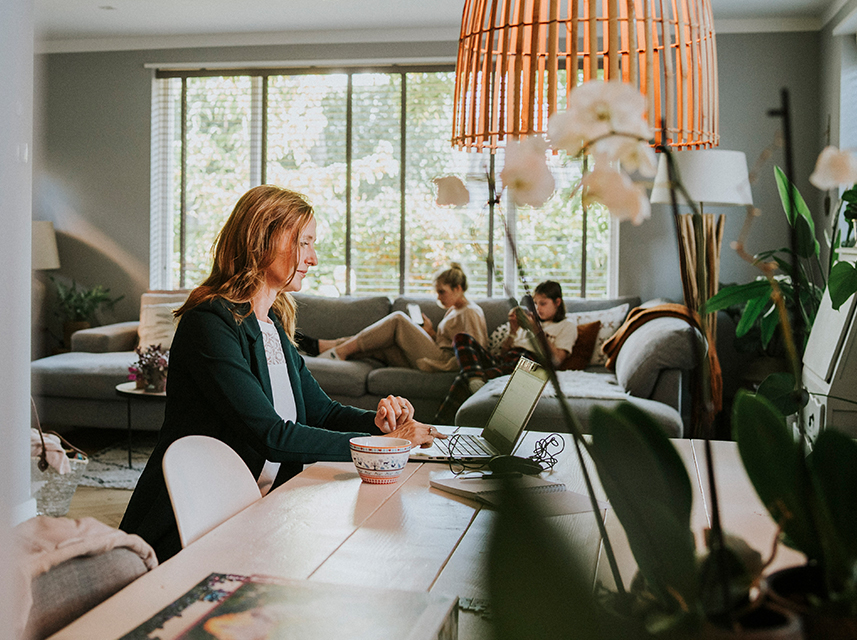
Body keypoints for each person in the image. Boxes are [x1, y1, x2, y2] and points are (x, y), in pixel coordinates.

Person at [120, 185, 444, 562]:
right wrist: (385, 447)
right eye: (304, 242)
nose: (314, 258)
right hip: (196, 519)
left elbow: (321, 412)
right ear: (263, 240)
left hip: (260, 506)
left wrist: (380, 424)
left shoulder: (271, 322)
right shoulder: (210, 323)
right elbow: (271, 435)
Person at [434, 280, 577, 423]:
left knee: (462, 379)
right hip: (507, 361)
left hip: (528, 363)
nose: (537, 308)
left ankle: (437, 425)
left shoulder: (566, 326)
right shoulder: (528, 321)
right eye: (535, 303)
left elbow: (557, 360)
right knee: (461, 338)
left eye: (543, 303)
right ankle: (476, 379)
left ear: (557, 302)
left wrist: (536, 330)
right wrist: (513, 331)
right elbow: (504, 354)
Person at [317, 263, 488, 372]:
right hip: (437, 354)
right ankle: (327, 348)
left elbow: (476, 349)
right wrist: (430, 333)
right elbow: (449, 341)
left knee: (398, 318)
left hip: (443, 362)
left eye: (442, 291)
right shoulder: (453, 310)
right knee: (382, 345)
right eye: (437, 292)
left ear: (458, 288)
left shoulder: (470, 311)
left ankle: (336, 350)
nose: (438, 297)